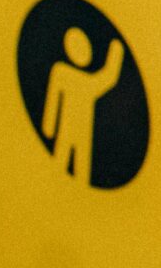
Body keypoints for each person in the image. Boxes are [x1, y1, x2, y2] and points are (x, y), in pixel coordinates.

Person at [40, 24, 126, 183]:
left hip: (84, 133)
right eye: (78, 46)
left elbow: (107, 77)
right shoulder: (62, 72)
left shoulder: (87, 81)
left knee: (80, 166)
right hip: (65, 131)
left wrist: (116, 51)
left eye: (85, 47)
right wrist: (49, 128)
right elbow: (54, 104)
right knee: (59, 169)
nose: (83, 51)